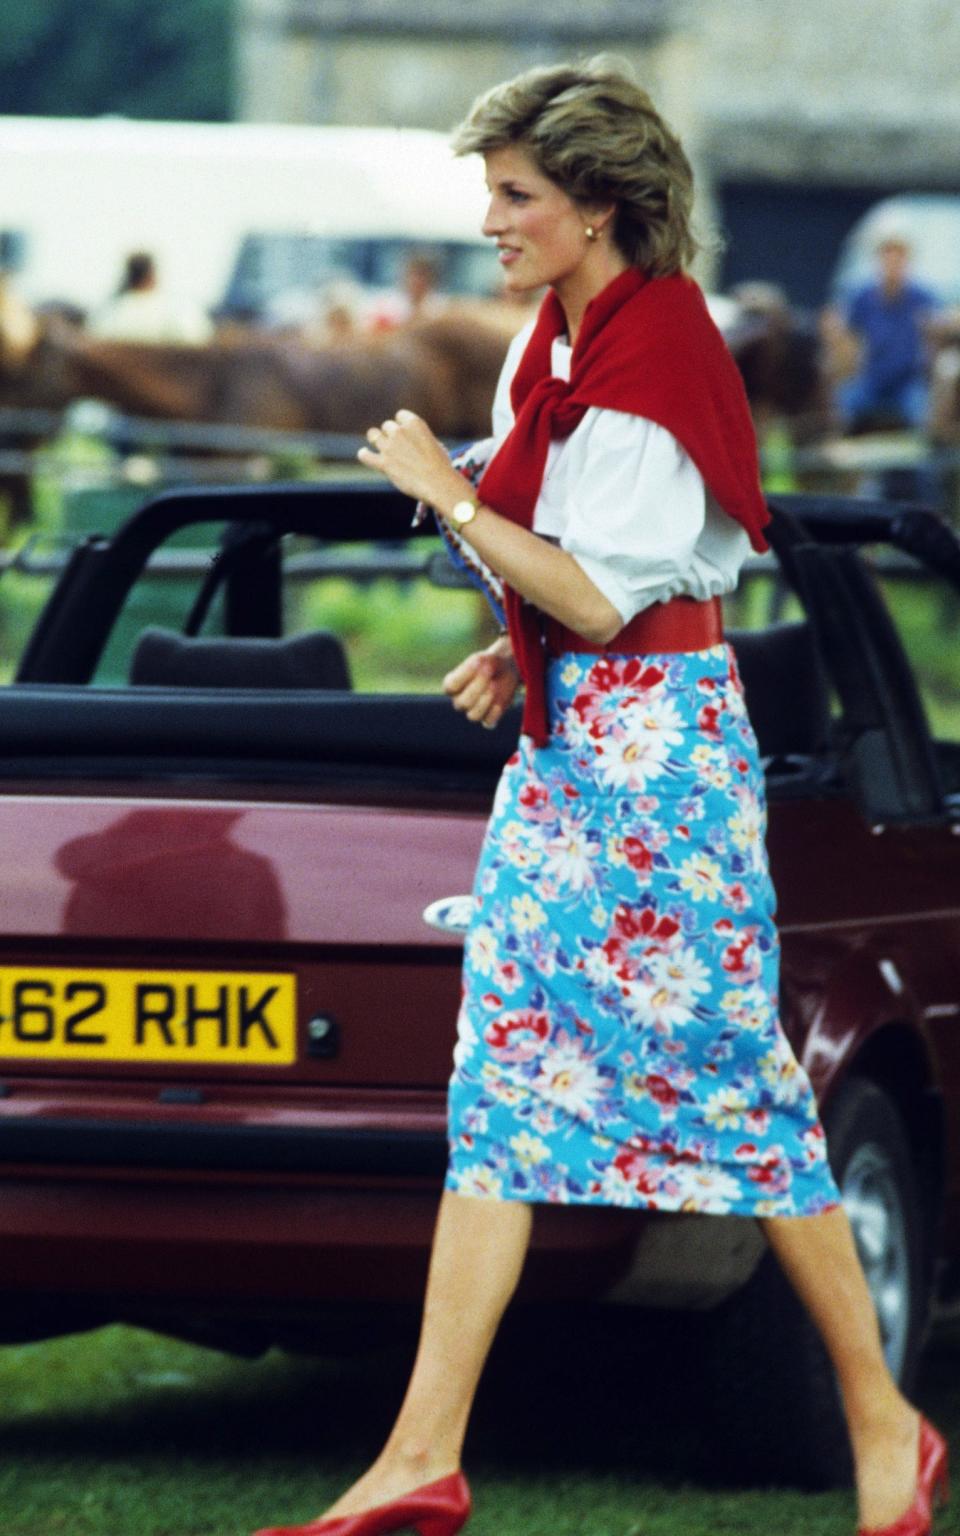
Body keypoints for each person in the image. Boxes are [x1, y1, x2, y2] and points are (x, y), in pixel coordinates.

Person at [252, 60, 949, 1536]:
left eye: (516, 197)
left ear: (600, 208)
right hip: (571, 748)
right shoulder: (550, 349)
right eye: (490, 193)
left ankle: (887, 1419)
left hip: (661, 765)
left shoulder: (652, 361)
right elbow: (567, 587)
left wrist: (447, 494)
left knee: (749, 1097)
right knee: (500, 1093)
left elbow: (605, 590)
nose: (491, 222)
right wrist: (513, 653)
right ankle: (419, 1455)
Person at [832, 233, 939, 432]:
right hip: (872, 379)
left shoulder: (922, 298)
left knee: (924, 413)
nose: (893, 265)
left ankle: (923, 462)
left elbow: (938, 330)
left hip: (907, 381)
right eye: (887, 258)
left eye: (899, 258)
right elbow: (845, 335)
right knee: (841, 405)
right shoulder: (862, 297)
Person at [88, 250, 213, 345]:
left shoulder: (111, 313)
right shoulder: (174, 310)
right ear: (152, 275)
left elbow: (92, 338)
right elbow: (200, 338)